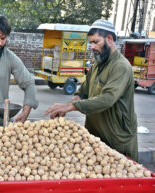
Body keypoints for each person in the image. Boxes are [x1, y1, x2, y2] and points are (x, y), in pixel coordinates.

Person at [45, 19, 138, 161]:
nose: (92, 47)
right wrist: (69, 104)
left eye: (96, 42)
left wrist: (71, 107)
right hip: (96, 136)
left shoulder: (121, 66)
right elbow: (82, 92)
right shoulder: (97, 64)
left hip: (117, 139)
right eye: (90, 43)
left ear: (109, 39)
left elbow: (107, 99)